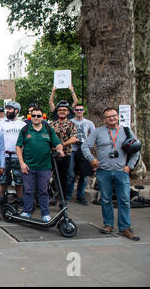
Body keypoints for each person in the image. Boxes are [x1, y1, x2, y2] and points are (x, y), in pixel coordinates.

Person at [81, 107, 140, 241]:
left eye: (113, 116)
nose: (111, 118)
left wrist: (130, 166)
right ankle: (108, 225)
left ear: (118, 117)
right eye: (108, 117)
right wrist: (92, 159)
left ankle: (125, 228)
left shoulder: (126, 131)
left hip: (121, 171)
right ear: (104, 119)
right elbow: (85, 146)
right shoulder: (98, 132)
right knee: (106, 199)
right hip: (104, 171)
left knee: (124, 200)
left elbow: (136, 149)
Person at [16, 107, 64, 222]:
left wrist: (60, 149)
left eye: (38, 116)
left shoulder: (48, 129)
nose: (36, 118)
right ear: (30, 117)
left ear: (43, 117)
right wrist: (22, 163)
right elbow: (18, 147)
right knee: (28, 191)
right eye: (34, 116)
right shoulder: (25, 129)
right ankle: (27, 212)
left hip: (44, 167)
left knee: (43, 191)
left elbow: (57, 143)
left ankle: (45, 213)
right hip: (28, 167)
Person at [0, 102, 26, 206]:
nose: (7, 111)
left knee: (19, 180)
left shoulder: (23, 125)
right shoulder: (1, 123)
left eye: (10, 109)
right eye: (7, 109)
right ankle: (1, 200)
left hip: (17, 156)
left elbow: (26, 141)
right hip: (4, 156)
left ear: (16, 110)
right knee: (2, 179)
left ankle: (20, 199)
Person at [66, 103, 96, 205]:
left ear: (83, 111)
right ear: (74, 111)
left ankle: (80, 196)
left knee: (84, 174)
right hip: (72, 150)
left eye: (81, 110)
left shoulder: (89, 123)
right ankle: (67, 197)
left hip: (84, 150)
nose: (79, 112)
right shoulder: (70, 122)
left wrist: (87, 145)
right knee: (71, 174)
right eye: (77, 110)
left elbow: (94, 136)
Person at [50, 100, 78, 203]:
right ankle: (53, 195)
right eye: (60, 110)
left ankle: (63, 199)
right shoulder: (52, 124)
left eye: (64, 110)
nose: (62, 111)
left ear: (68, 112)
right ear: (57, 112)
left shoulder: (71, 124)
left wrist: (61, 145)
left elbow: (74, 138)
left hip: (66, 155)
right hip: (52, 155)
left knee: (64, 178)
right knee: (51, 177)